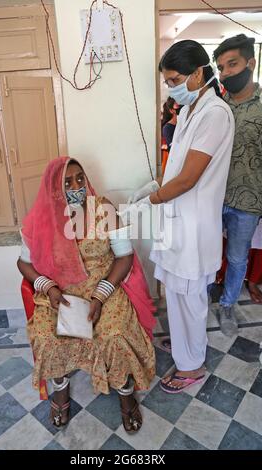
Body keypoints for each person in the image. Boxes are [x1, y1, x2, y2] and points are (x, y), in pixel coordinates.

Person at [125, 40, 235, 393]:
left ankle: (192, 366)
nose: (171, 86)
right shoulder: (189, 111)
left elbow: (189, 179)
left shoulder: (215, 113)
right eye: (167, 80)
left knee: (189, 296)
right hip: (177, 219)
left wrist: (151, 201)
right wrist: (153, 186)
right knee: (175, 290)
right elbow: (177, 169)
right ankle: (186, 343)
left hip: (194, 223)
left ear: (198, 73)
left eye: (174, 79)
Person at [17, 157, 156, 432]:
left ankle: (126, 394)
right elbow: (24, 263)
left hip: (104, 286)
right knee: (47, 336)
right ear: (53, 188)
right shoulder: (40, 217)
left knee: (114, 334)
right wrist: (49, 288)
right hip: (60, 294)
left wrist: (101, 295)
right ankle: (60, 387)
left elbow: (124, 256)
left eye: (80, 178)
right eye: (67, 182)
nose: (76, 186)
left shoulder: (103, 209)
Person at [213, 34, 262, 335]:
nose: (226, 72)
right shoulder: (216, 108)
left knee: (237, 257)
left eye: (232, 64)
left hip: (248, 202)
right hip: (213, 198)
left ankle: (228, 304)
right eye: (220, 67)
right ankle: (203, 294)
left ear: (251, 63)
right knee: (205, 249)